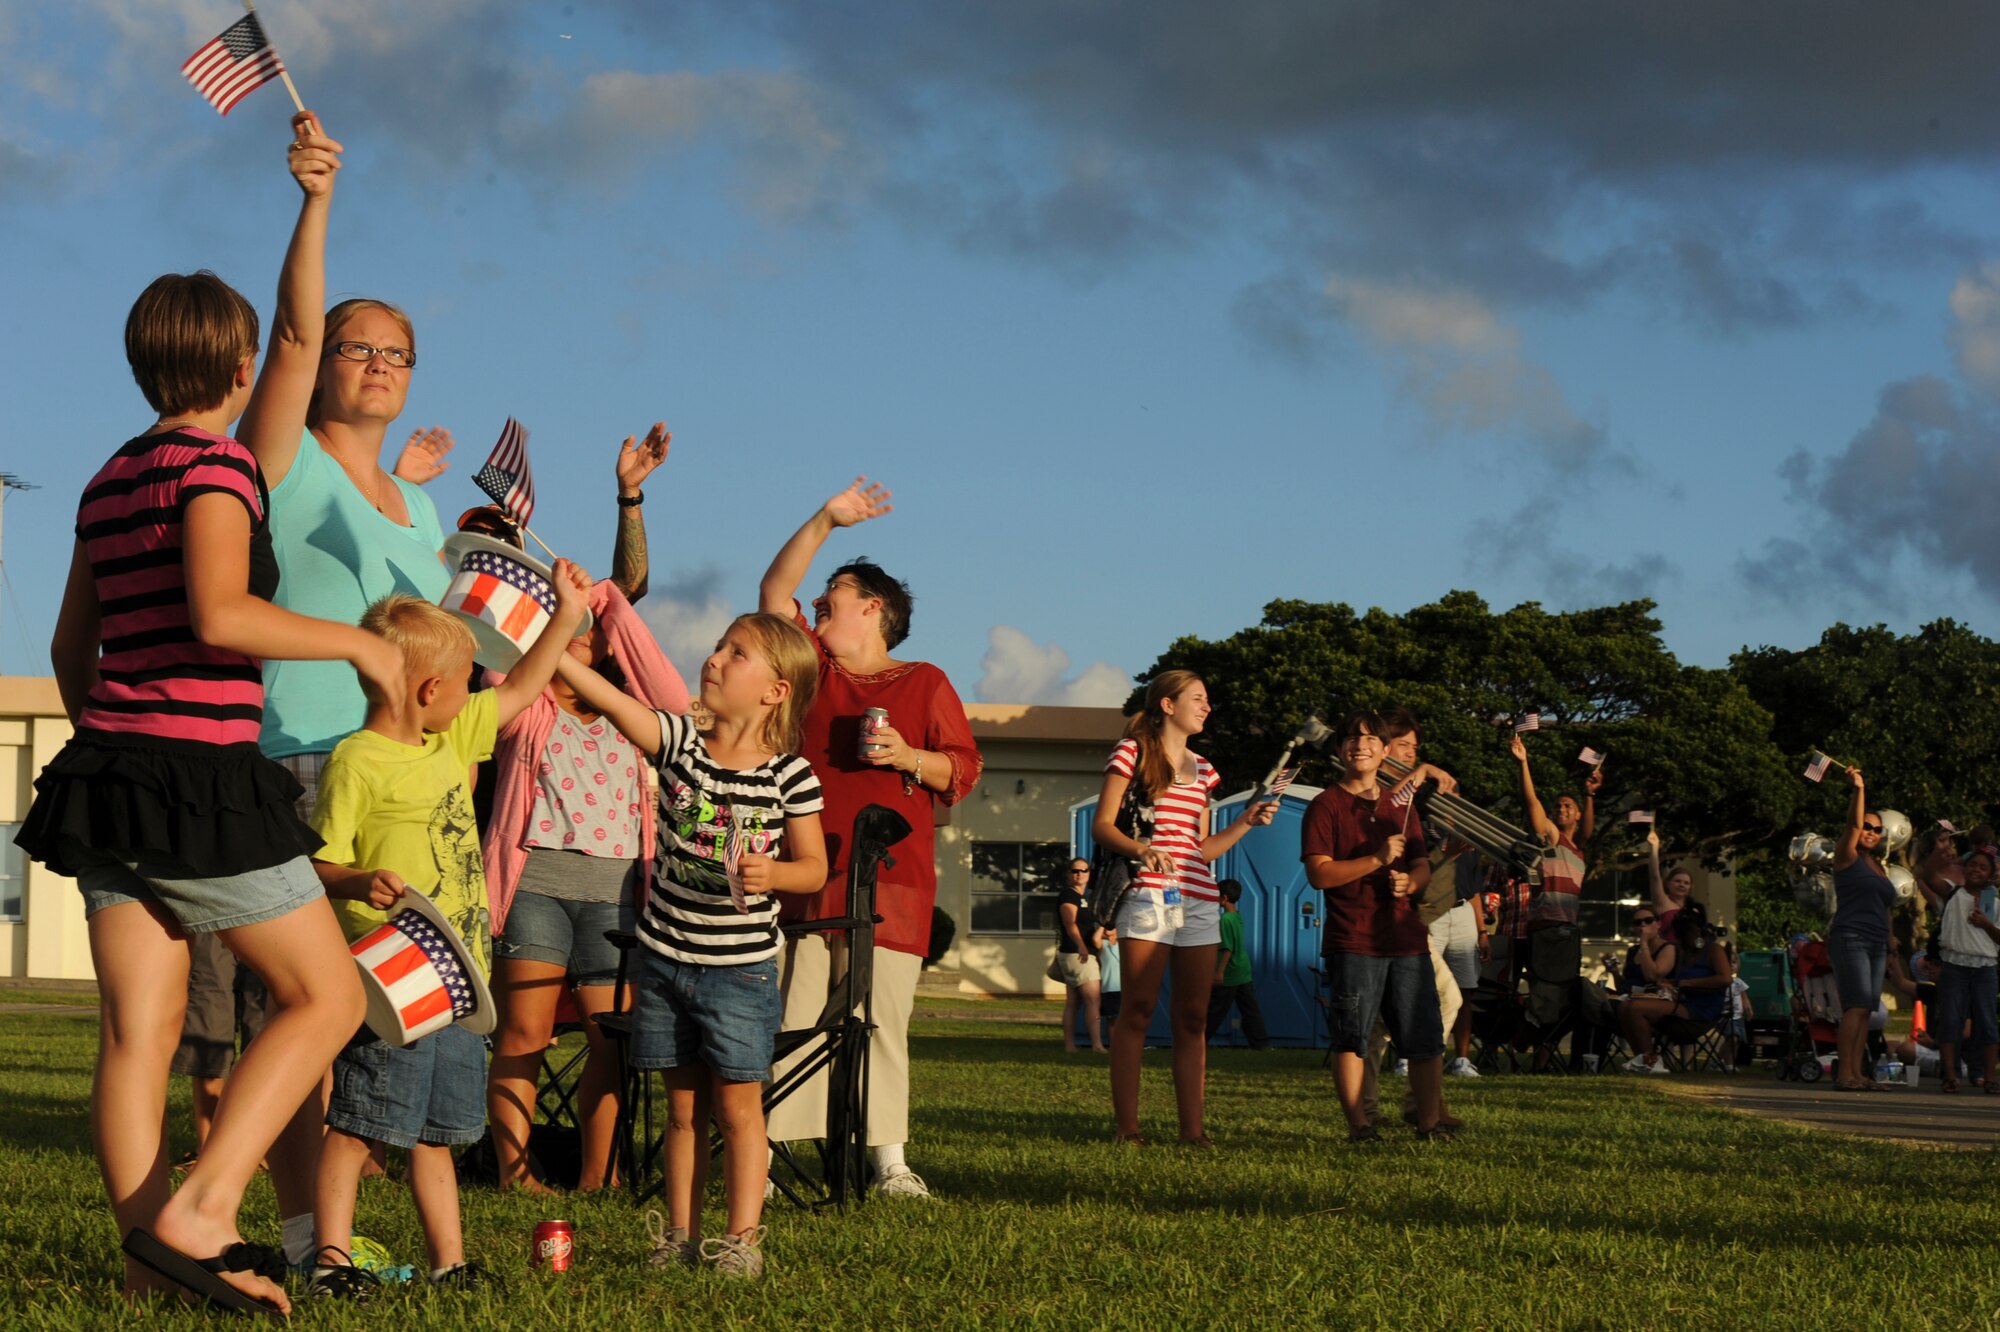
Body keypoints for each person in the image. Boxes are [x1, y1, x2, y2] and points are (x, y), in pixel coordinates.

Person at [13, 262, 402, 1313]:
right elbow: (224, 613)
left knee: (137, 1033)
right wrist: (360, 648)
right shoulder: (217, 472)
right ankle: (206, 1208)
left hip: (104, 776)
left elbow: (68, 643)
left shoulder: (106, 478)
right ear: (240, 368)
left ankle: (149, 1268)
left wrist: (118, 729)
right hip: (203, 779)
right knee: (324, 995)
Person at [307, 574, 590, 1298]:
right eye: (468, 679)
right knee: (361, 1122)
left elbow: (526, 685)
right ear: (430, 689)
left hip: (461, 979)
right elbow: (320, 859)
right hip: (395, 982)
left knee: (438, 1132)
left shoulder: (449, 733)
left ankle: (449, 1263)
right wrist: (354, 881)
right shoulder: (356, 760)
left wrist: (564, 615)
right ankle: (330, 1259)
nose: (478, 692)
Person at [556, 613, 827, 1278]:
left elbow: (815, 867)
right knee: (680, 1109)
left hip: (740, 972)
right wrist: (552, 650)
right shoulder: (680, 743)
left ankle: (741, 1242)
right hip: (666, 960)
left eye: (738, 654)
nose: (715, 658)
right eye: (719, 646)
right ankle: (678, 1236)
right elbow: (618, 705)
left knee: (738, 1107)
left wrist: (776, 874)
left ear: (775, 691)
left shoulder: (790, 775)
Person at [759, 479, 983, 1197]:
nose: (820, 605)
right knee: (799, 1008)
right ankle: (770, 1155)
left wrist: (906, 758)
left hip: (893, 876)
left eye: (835, 596)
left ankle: (890, 1160)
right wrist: (827, 517)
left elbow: (964, 769)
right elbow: (773, 592)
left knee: (880, 1014)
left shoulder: (924, 682)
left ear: (874, 609)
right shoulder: (812, 670)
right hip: (810, 867)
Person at [482, 578, 690, 1194]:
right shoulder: (524, 701)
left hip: (615, 894)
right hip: (534, 890)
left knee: (611, 1044)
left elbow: (673, 700)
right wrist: (560, 615)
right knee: (524, 1035)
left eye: (586, 626)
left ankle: (600, 1177)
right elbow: (503, 672)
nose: (576, 630)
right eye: (559, 620)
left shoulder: (633, 719)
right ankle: (516, 1175)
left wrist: (610, 602)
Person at [1093, 672, 1276, 1148]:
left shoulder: (1206, 770)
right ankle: (1127, 1130)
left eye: (1208, 701)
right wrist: (1140, 850)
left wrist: (1246, 823)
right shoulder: (1131, 752)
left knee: (1193, 1017)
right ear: (1168, 705)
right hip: (1148, 894)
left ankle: (1192, 1132)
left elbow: (1203, 849)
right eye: (1199, 699)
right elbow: (1102, 826)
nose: (1207, 707)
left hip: (1198, 898)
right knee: (1137, 1009)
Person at [1301, 711, 1449, 1141]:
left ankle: (1429, 1122)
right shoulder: (1325, 805)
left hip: (1406, 937)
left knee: (1423, 1036)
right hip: (1354, 939)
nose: (1360, 745)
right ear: (1341, 749)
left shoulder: (1400, 807)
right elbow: (1319, 874)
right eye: (1352, 738)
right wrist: (1377, 860)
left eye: (1371, 739)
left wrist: (1411, 881)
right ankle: (1360, 1126)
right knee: (1352, 1036)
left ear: (1386, 752)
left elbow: (1421, 865)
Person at [1508, 731, 1597, 1067]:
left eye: (1567, 806)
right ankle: (1522, 1040)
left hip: (1567, 935)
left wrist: (1589, 795)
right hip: (1546, 931)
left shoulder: (1579, 851)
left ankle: (1540, 1060)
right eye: (1558, 805)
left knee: (1562, 1002)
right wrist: (1524, 763)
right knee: (1545, 998)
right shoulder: (1552, 841)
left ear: (1576, 815)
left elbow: (1588, 829)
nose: (1561, 809)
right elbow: (1532, 805)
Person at [1828, 767, 1896, 1091]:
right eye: (1867, 826)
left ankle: (1858, 1074)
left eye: (1876, 829)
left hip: (1877, 942)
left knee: (1867, 1009)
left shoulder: (1879, 867)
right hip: (1850, 937)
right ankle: (1844, 1075)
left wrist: (1891, 942)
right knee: (1855, 1005)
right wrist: (1859, 788)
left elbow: (1885, 906)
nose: (1869, 831)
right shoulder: (1846, 856)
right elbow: (1852, 824)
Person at [1618, 901, 1732, 1073]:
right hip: (1682, 1003)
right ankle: (1642, 1059)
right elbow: (1677, 981)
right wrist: (1669, 983)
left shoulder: (1713, 950)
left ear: (1697, 931)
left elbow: (1725, 979)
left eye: (1685, 935)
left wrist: (1687, 984)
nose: (1681, 939)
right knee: (1624, 1007)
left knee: (1635, 1008)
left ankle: (1652, 1061)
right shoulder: (1685, 953)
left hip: (1701, 1010)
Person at [1931, 846, 2000, 1094]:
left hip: (1984, 967)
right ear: (1965, 868)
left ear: (1990, 874)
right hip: (1954, 966)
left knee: (1987, 1022)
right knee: (1950, 1020)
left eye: (1983, 867)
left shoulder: (1995, 901)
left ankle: (1989, 1077)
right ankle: (1950, 1076)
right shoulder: (1953, 893)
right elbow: (1927, 876)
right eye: (1972, 865)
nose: (1976, 870)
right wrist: (1940, 855)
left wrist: (1987, 924)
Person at [1207, 879, 1270, 1050]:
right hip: (1243, 970)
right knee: (1250, 1010)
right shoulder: (1237, 916)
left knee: (1215, 1011)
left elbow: (1227, 948)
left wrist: (1219, 971)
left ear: (1224, 898)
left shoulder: (1225, 920)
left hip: (1231, 972)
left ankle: (1198, 1040)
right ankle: (1261, 1044)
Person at [1056, 858, 1107, 1054]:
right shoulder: (1069, 896)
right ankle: (1096, 1045)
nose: (1080, 874)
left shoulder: (1084, 897)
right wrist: (1081, 946)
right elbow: (1070, 923)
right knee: (1093, 1000)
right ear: (1068, 874)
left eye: (1084, 870)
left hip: (1076, 953)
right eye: (1075, 871)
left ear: (1089, 873)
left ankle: (1070, 1045)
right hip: (1078, 954)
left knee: (1074, 1002)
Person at [1645, 825, 1697, 934]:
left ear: (1690, 887)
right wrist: (1655, 847)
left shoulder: (1694, 909)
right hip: (1668, 950)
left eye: (1686, 883)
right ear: (1668, 884)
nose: (1682, 885)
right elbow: (1654, 876)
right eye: (1677, 881)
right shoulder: (1662, 901)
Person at [1098, 926, 1124, 1048]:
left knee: (1124, 1019)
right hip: (1108, 987)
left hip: (1122, 987)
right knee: (1112, 1019)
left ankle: (1124, 1044)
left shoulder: (1123, 945)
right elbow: (1095, 939)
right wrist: (1102, 925)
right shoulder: (1103, 944)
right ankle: (1114, 1045)